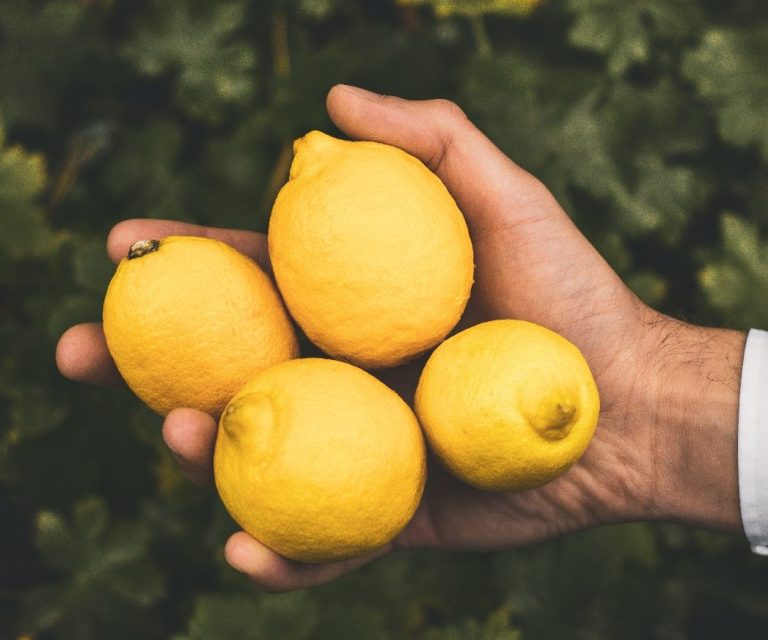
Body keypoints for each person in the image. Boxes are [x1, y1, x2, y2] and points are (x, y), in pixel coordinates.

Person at [55, 85, 763, 592]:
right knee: (215, 421)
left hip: (429, 406)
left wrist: (647, 394)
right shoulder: (318, 210)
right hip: (360, 429)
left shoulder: (327, 201)